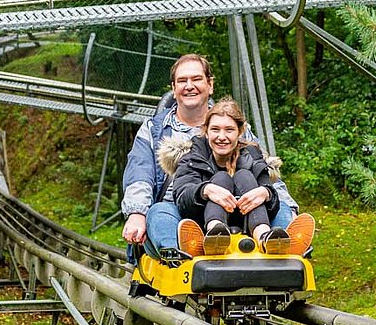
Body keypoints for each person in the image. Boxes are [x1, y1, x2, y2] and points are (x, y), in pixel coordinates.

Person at [121, 54, 298, 259]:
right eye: (182, 81)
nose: (189, 86)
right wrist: (137, 212)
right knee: (159, 213)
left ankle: (286, 247)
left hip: (241, 211)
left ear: (210, 85)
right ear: (173, 88)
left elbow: (264, 172)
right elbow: (139, 174)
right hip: (184, 212)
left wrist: (285, 205)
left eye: (196, 79)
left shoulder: (236, 128)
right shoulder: (154, 130)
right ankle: (182, 253)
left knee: (282, 209)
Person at [168, 98, 292, 254]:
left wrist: (266, 193)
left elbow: (270, 195)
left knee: (245, 176)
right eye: (215, 129)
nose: (221, 136)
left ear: (240, 132)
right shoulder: (193, 157)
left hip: (248, 221)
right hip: (203, 221)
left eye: (229, 130)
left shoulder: (253, 156)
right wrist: (205, 190)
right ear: (206, 132)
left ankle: (265, 238)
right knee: (221, 179)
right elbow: (182, 197)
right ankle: (216, 236)